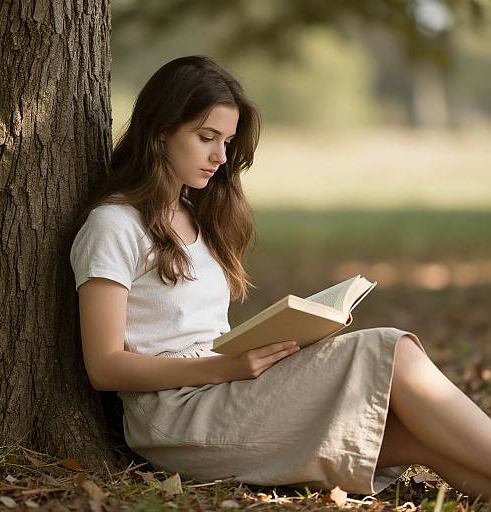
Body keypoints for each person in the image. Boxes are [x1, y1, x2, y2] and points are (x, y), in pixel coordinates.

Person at [70, 55, 491, 499]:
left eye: (228, 141)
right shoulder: (113, 225)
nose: (220, 156)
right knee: (395, 349)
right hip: (176, 414)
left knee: (418, 437)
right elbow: (104, 367)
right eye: (206, 137)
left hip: (225, 385)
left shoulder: (194, 213)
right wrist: (227, 367)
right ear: (159, 132)